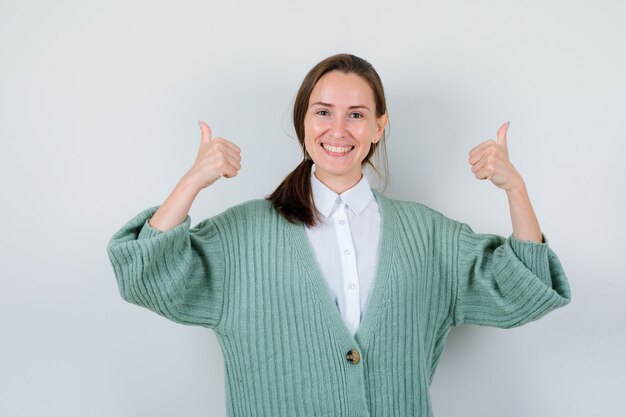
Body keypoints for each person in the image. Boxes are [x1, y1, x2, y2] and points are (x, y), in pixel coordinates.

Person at [107, 53, 571, 417]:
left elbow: (521, 289)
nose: (337, 129)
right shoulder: (242, 234)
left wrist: (516, 189)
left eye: (355, 115)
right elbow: (146, 275)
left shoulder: (428, 235)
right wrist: (191, 182)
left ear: (377, 127)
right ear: (304, 122)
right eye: (323, 111)